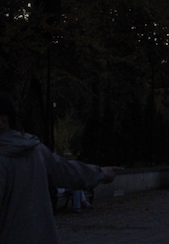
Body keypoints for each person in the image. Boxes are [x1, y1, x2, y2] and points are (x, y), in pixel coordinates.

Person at [0, 92, 121, 243]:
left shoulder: (23, 153)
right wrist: (101, 172)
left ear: (3, 121)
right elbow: (68, 171)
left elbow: (68, 171)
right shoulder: (36, 151)